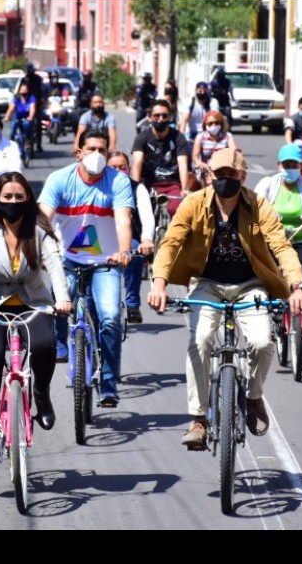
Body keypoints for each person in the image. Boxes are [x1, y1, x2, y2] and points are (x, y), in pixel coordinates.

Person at [147, 148, 302, 449]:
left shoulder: (258, 205)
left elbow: (282, 247)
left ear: (242, 176)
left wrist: (297, 286)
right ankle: (198, 419)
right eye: (219, 174)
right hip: (207, 283)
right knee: (200, 340)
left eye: (231, 174)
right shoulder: (194, 203)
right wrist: (159, 284)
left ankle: (253, 397)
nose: (225, 179)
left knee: (262, 341)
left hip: (250, 285)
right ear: (209, 175)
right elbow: (170, 243)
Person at [0, 172, 72, 463]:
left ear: (28, 199)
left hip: (33, 302)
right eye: (7, 196)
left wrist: (63, 298)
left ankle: (41, 393)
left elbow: (54, 265)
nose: (13, 202)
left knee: (46, 346)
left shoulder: (38, 228)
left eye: (19, 197)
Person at [39, 128, 134, 405]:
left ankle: (108, 381)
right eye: (91, 149)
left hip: (106, 262)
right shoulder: (59, 179)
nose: (97, 155)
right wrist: (42, 250)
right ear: (78, 153)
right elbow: (43, 217)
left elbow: (123, 220)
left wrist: (124, 251)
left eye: (102, 150)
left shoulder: (118, 181)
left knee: (110, 318)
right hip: (67, 260)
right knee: (58, 304)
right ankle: (60, 341)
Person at [255, 143, 302, 336]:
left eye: (294, 165)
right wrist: (265, 217)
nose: (290, 169)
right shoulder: (268, 184)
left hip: (301, 240)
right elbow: (255, 205)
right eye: (286, 165)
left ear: (300, 167)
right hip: (275, 242)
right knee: (271, 275)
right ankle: (272, 310)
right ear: (278, 165)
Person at [107, 151, 155, 324]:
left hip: (129, 240)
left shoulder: (137, 188)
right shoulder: (97, 187)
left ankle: (132, 303)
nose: (118, 171)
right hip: (100, 240)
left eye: (122, 167)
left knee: (134, 252)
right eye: (113, 167)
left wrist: (147, 239)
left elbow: (147, 217)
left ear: (128, 169)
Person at [131, 99, 190, 218]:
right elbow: (137, 164)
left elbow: (183, 165)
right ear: (150, 117)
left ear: (170, 117)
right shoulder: (142, 138)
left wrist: (185, 189)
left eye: (164, 115)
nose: (161, 119)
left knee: (175, 210)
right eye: (157, 115)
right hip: (149, 184)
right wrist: (135, 189)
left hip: (172, 184)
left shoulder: (179, 138)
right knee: (144, 213)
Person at [191, 110, 237, 188]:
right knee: (206, 175)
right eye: (210, 123)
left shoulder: (228, 136)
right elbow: (195, 157)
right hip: (205, 169)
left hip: (223, 168)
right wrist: (202, 165)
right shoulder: (200, 137)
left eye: (216, 123)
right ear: (205, 124)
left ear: (221, 124)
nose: (213, 125)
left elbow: (234, 152)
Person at [23, 64, 45, 152]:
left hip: (37, 104)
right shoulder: (24, 79)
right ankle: (23, 140)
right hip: (26, 104)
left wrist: (42, 99)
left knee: (38, 124)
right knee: (21, 121)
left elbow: (42, 90)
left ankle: (39, 144)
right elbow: (20, 91)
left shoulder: (38, 79)